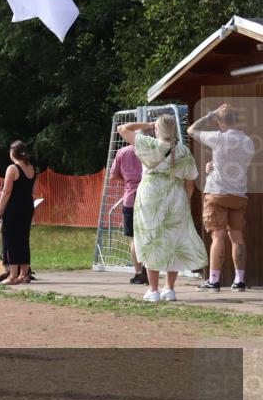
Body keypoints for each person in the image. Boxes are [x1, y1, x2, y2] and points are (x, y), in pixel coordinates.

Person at [118, 115, 208, 302]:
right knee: (173, 242)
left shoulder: (149, 144)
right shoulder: (183, 150)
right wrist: (186, 202)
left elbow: (123, 128)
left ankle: (153, 290)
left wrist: (148, 124)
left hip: (150, 196)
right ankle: (170, 289)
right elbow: (190, 182)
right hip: (176, 196)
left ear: (157, 129)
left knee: (152, 240)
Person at [188, 104, 257, 291]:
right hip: (239, 194)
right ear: (236, 121)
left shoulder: (218, 138)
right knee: (237, 236)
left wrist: (210, 115)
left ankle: (214, 280)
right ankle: (239, 280)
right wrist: (213, 164)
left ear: (219, 122)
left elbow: (191, 130)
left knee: (218, 236)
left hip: (217, 192)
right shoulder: (248, 141)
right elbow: (236, 163)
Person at [0, 141, 38, 285]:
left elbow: (6, 191)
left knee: (11, 240)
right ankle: (24, 275)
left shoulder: (12, 168)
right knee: (23, 240)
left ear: (12, 153)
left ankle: (13, 276)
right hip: (27, 207)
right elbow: (33, 192)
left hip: (13, 208)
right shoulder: (31, 168)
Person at [110, 141, 147, 285]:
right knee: (149, 235)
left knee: (134, 237)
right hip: (149, 197)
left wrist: (127, 180)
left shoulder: (123, 152)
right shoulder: (153, 148)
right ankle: (149, 269)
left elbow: (113, 175)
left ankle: (139, 272)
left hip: (131, 197)